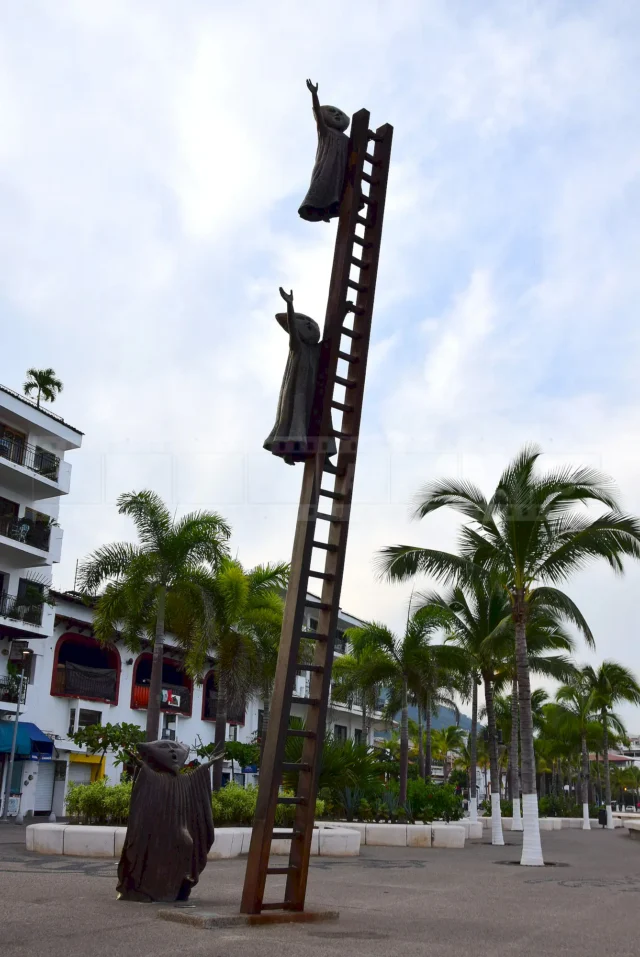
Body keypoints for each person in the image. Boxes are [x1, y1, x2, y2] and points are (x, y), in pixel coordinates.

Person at [116, 739, 224, 903]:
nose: (173, 753)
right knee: (173, 848)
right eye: (165, 749)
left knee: (187, 844)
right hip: (160, 827)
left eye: (175, 749)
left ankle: (180, 886)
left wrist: (209, 764)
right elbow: (145, 775)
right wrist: (137, 762)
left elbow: (198, 774)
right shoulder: (154, 778)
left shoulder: (186, 780)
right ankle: (158, 888)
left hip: (181, 824)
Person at [263, 287, 336, 464]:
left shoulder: (316, 350)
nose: (309, 325)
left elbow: (333, 336)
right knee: (297, 423)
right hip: (299, 393)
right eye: (303, 322)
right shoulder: (298, 347)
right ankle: (290, 452)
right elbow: (293, 332)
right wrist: (290, 305)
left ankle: (324, 456)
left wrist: (343, 315)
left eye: (311, 323)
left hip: (315, 391)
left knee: (323, 421)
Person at [298, 79, 351, 223]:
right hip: (326, 166)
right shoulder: (325, 131)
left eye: (340, 113)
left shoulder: (347, 139)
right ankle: (314, 208)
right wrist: (314, 95)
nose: (337, 115)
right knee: (322, 185)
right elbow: (317, 113)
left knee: (339, 187)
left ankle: (332, 208)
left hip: (340, 169)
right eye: (332, 112)